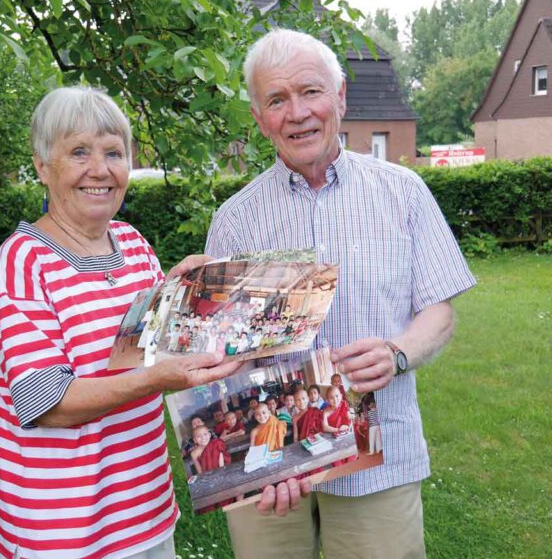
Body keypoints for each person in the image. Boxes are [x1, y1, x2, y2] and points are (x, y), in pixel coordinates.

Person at [204, 29, 476, 559]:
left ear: (342, 96)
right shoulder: (234, 220)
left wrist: (398, 354)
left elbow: (439, 312)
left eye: (311, 91)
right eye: (277, 100)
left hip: (380, 457)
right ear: (259, 119)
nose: (298, 112)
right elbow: (220, 354)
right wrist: (266, 455)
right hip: (270, 463)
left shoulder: (403, 193)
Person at [0, 86, 240, 559]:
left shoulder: (132, 243)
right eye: (79, 151)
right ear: (42, 166)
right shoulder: (22, 262)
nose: (99, 169)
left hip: (145, 515)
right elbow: (46, 404)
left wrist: (183, 294)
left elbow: (154, 344)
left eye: (113, 152)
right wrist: (156, 380)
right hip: (59, 533)